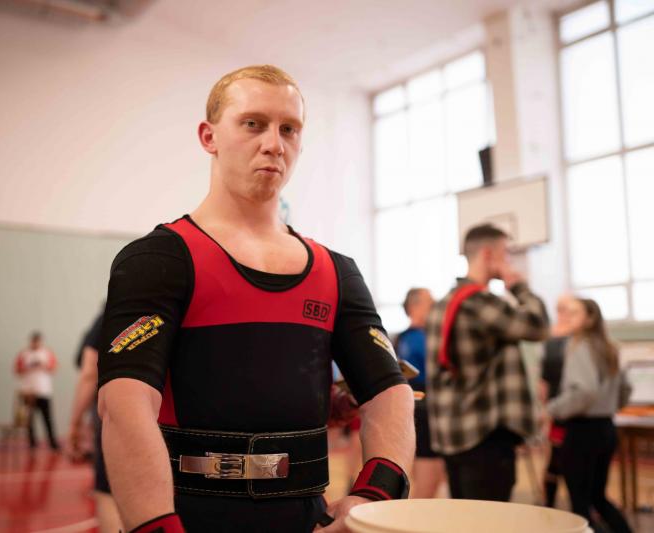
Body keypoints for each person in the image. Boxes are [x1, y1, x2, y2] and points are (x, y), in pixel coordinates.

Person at [97, 65, 415, 533]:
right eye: (253, 124)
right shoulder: (158, 259)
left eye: (289, 129)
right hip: (190, 519)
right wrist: (155, 526)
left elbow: (389, 392)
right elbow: (124, 405)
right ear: (209, 137)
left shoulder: (336, 272)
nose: (274, 144)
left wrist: (374, 497)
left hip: (308, 520)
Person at [426, 224, 549, 502]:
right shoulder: (480, 302)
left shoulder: (441, 304)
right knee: (492, 518)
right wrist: (518, 287)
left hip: (453, 433)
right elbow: (538, 326)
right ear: (488, 254)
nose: (509, 261)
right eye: (506, 253)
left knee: (467, 517)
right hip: (484, 434)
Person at [545, 299, 633, 532]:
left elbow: (585, 391)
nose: (567, 317)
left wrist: (552, 409)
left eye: (574, 313)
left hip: (582, 431)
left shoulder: (579, 347)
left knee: (580, 506)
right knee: (597, 497)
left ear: (590, 319)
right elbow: (626, 389)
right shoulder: (610, 347)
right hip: (606, 428)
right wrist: (609, 405)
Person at [66, 312, 122, 533]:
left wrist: (74, 424)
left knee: (108, 492)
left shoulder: (113, 314)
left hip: (119, 410)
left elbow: (90, 371)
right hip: (166, 416)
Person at [396, 288, 445, 499]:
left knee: (431, 482)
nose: (435, 306)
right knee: (427, 484)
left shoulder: (411, 337)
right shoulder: (414, 338)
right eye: (430, 302)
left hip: (424, 411)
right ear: (414, 307)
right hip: (423, 413)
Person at [540, 294, 577, 508]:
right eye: (560, 308)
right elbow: (543, 378)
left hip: (574, 405)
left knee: (570, 458)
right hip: (556, 406)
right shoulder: (551, 335)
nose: (563, 313)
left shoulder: (579, 336)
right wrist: (545, 409)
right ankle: (549, 503)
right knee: (554, 457)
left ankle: (578, 503)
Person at [15, 331, 59, 450]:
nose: (35, 343)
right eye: (33, 341)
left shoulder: (47, 353)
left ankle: (52, 443)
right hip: (28, 392)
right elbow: (17, 370)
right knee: (29, 420)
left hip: (43, 391)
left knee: (48, 418)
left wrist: (42, 365)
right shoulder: (24, 354)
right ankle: (32, 443)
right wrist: (29, 367)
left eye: (37, 341)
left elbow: (54, 368)